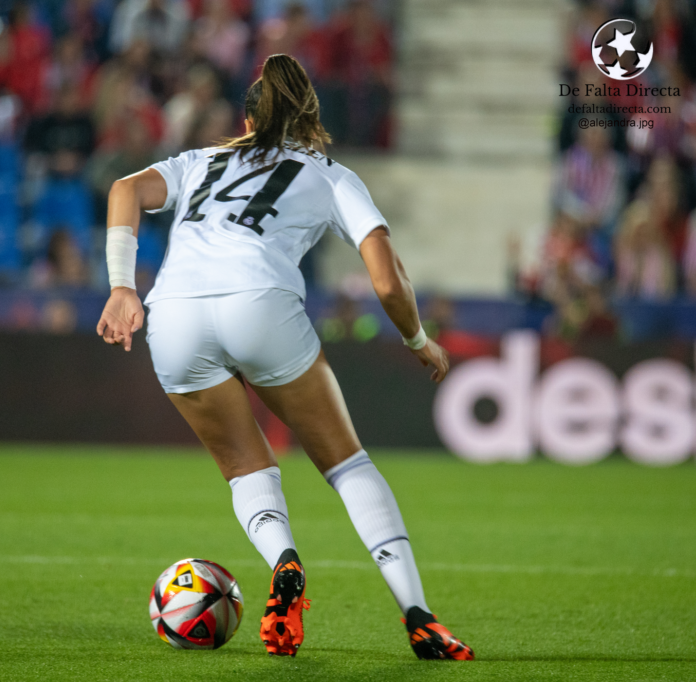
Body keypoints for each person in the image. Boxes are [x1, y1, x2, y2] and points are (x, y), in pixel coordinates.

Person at [95, 54, 473, 661]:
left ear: (247, 119)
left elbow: (123, 189)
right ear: (310, 121)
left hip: (175, 313)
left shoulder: (199, 162)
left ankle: (284, 560)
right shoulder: (331, 174)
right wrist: (416, 339)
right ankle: (419, 616)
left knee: (247, 468)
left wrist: (121, 286)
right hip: (260, 302)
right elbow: (387, 281)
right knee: (347, 465)